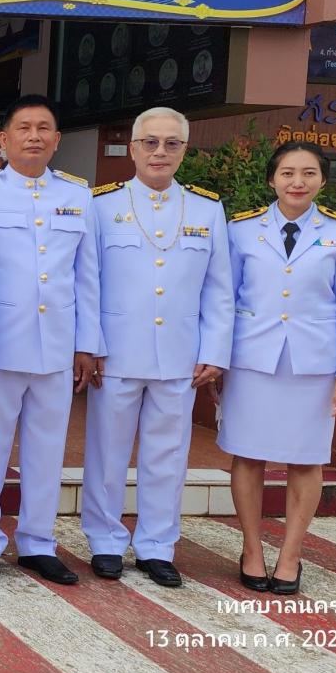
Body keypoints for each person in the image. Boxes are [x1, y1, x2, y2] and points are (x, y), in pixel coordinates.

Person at [81, 108, 231, 588]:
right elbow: (87, 283)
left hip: (180, 353)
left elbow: (219, 288)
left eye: (171, 143)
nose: (159, 152)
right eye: (150, 142)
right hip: (116, 352)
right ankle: (105, 541)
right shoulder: (101, 205)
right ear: (132, 148)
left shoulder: (207, 209)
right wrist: (89, 344)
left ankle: (156, 545)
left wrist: (215, 350)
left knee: (168, 456)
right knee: (107, 453)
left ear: (185, 150)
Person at [0, 95, 101, 586]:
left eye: (44, 128)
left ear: (57, 140)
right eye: (24, 128)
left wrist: (86, 343)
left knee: (47, 450)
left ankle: (38, 542)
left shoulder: (79, 196)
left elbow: (87, 276)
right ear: (4, 139)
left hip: (57, 344)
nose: (34, 136)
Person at [220, 142, 336, 595]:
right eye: (287, 173)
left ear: (322, 180)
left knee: (306, 458)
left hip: (313, 364)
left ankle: (291, 555)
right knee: (248, 454)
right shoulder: (241, 230)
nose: (297, 182)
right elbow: (224, 298)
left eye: (308, 173)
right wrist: (217, 359)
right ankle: (252, 549)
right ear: (272, 179)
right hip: (251, 359)